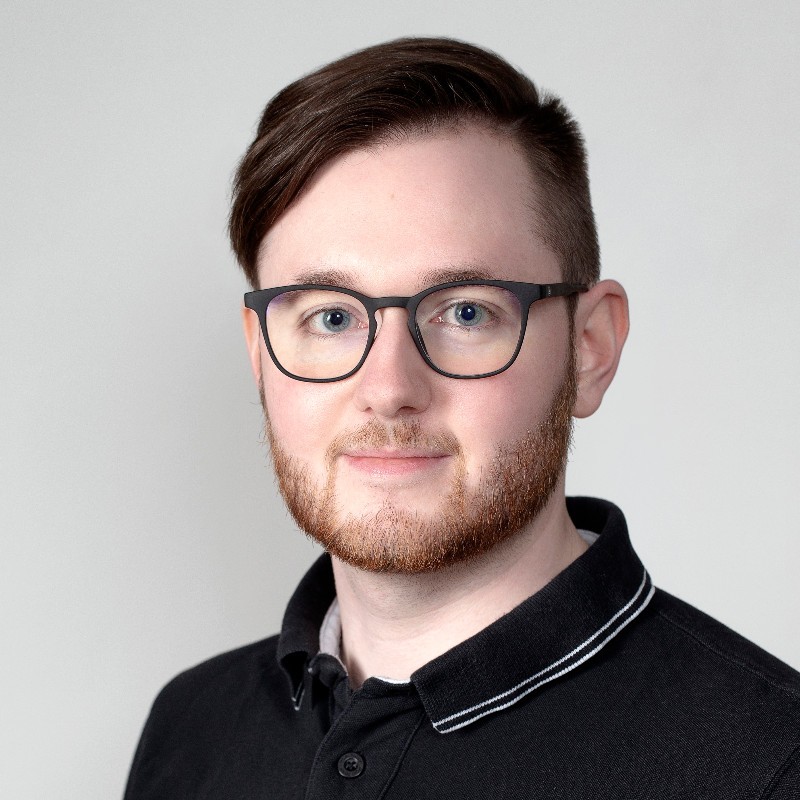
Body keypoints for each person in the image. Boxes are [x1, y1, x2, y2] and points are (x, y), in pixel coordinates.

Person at [124, 37, 800, 798]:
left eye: (466, 312)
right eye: (330, 318)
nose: (388, 388)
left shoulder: (770, 767)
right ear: (261, 355)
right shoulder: (192, 729)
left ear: (589, 349)